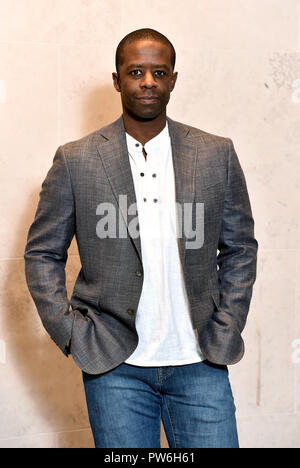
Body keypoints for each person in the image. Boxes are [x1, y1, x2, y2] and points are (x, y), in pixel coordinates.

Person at [24, 28, 258, 448]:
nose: (148, 81)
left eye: (159, 72)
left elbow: (240, 248)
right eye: (135, 71)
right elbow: (42, 253)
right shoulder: (76, 159)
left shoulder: (215, 152)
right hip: (114, 366)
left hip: (201, 360)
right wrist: (71, 333)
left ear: (172, 79)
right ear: (117, 80)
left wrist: (228, 324)